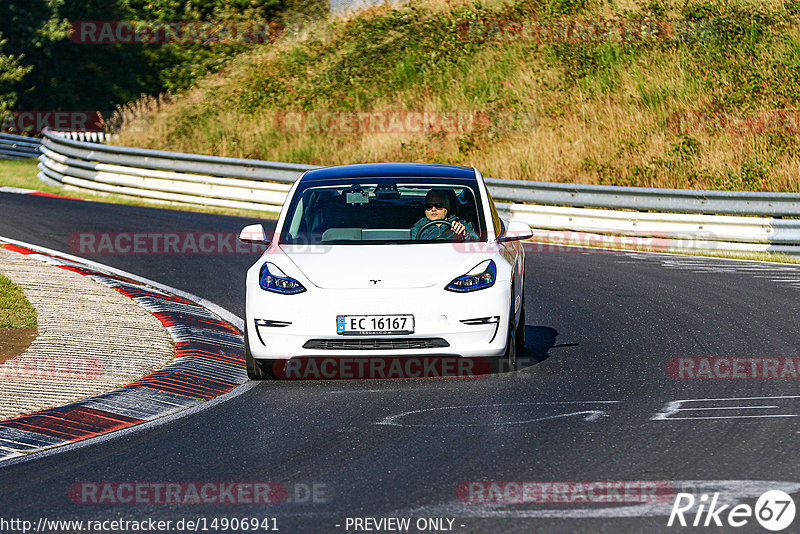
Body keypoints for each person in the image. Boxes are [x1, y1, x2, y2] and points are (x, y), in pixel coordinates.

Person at [411, 189, 478, 241]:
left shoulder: (460, 224)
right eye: (429, 206)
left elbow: (477, 242)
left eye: (438, 206)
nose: (433, 209)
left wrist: (465, 234)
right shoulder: (418, 227)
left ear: (447, 207)